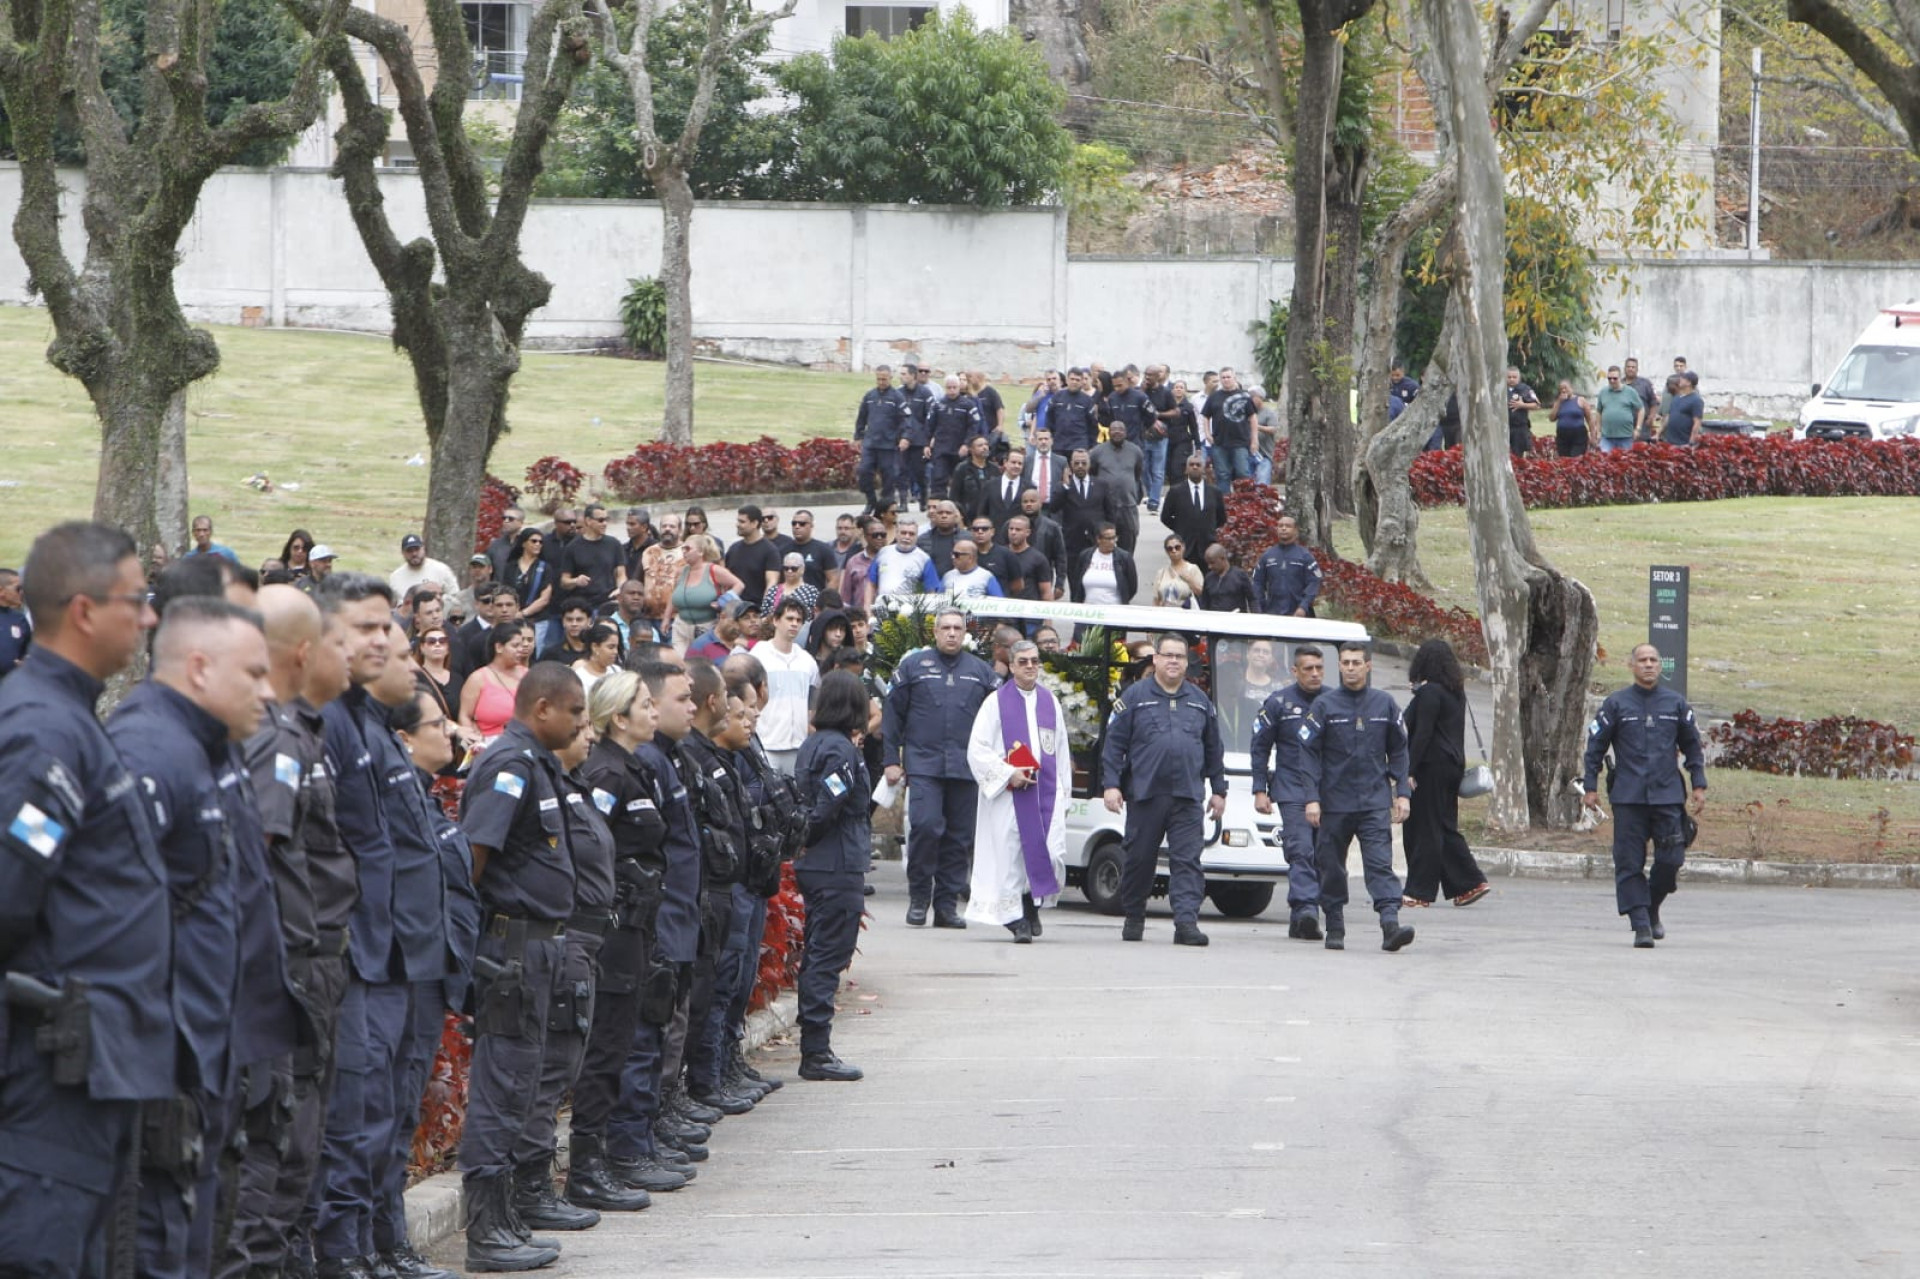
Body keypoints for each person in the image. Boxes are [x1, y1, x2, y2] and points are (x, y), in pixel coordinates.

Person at [0, 524, 169, 1278]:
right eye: (137, 599)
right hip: (47, 1072)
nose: (150, 616)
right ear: (83, 609)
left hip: (90, 1066)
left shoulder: (71, 720)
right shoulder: (43, 730)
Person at [111, 596, 295, 1279]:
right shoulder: (152, 752)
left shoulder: (205, 748)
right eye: (253, 673)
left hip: (205, 1057)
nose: (269, 690)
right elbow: (114, 919)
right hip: (164, 1063)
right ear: (197, 667)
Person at [455, 663, 587, 1272]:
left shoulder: (536, 764)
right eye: (575, 713)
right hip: (512, 949)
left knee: (523, 1083)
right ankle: (484, 1229)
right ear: (542, 710)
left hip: (539, 947)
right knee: (503, 1085)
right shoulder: (510, 767)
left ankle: (505, 1214)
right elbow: (474, 861)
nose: (583, 724)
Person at [568, 672, 690, 1204]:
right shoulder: (605, 773)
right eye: (644, 703)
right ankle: (591, 1166)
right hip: (613, 930)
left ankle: (620, 1150)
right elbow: (589, 851)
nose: (653, 710)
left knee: (628, 1038)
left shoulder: (636, 768)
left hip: (638, 926)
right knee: (609, 1044)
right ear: (619, 716)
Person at [1101, 633, 1226, 946]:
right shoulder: (1133, 697)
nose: (1173, 661)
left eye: (1180, 657)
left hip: (1187, 795)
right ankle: (1134, 916)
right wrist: (1111, 785)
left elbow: (1213, 748)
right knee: (1139, 859)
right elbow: (1113, 745)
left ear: (1187, 662)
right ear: (1154, 659)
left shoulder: (1200, 702)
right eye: (1167, 655)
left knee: (1187, 862)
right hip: (1146, 794)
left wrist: (1219, 789)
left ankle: (1186, 923)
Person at [1582, 643, 1708, 948]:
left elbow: (1692, 746)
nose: (1649, 665)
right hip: (1629, 796)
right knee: (1628, 862)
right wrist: (1590, 787)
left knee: (1672, 859)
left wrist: (1699, 785)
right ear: (1632, 665)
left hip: (1667, 796)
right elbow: (1595, 747)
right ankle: (1641, 924)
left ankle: (1652, 905)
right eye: (1642, 660)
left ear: (1660, 666)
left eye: (1653, 660)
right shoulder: (1616, 704)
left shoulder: (1676, 704)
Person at [884, 608, 997, 928]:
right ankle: (919, 897)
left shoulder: (981, 671)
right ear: (934, 633)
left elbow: (998, 720)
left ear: (965, 633)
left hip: (966, 767)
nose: (951, 633)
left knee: (959, 839)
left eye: (957, 628)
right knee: (925, 826)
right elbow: (893, 715)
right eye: (945, 628)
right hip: (924, 765)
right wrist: (891, 759)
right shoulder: (913, 667)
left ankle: (946, 906)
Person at [1302, 642, 1416, 953]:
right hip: (1334, 803)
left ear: (1368, 666)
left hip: (1374, 802)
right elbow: (1308, 755)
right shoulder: (1324, 706)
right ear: (1339, 666)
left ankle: (1390, 925)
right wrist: (1311, 798)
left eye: (1356, 662)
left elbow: (1399, 750)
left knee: (1380, 865)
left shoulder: (1385, 705)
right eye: (1345, 662)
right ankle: (1335, 925)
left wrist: (1402, 794)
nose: (1350, 667)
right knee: (1332, 867)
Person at [791, 671, 874, 1081]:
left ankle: (816, 1045)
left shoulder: (815, 743)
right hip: (835, 862)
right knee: (827, 954)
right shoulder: (840, 750)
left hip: (822, 861)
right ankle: (816, 1050)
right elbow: (828, 805)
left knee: (821, 953)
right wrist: (809, 838)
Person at [965, 640, 1069, 943]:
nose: (1030, 666)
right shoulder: (995, 703)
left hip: (1045, 793)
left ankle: (1030, 901)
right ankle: (1014, 920)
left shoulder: (1051, 702)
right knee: (1011, 855)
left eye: (1035, 661)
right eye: (1023, 661)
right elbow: (977, 749)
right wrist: (1010, 773)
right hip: (1009, 794)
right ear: (1011, 666)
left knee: (1047, 853)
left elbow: (1060, 750)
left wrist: (1063, 791)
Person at [1400, 639, 1491, 909]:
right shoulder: (1454, 692)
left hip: (1430, 767)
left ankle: (1419, 891)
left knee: (1424, 828)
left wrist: (1409, 770)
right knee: (1443, 826)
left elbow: (1421, 733)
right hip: (1452, 766)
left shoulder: (1430, 694)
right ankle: (1468, 883)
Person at [1249, 643, 1329, 940]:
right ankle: (1307, 908)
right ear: (1295, 671)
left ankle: (1301, 917)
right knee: (1301, 850)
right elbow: (1259, 746)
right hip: (1291, 789)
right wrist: (1260, 789)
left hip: (1327, 791)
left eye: (1319, 668)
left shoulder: (1334, 700)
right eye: (1308, 668)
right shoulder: (1278, 702)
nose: (1314, 674)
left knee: (1323, 854)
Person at [755, 598, 820, 774]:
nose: (794, 624)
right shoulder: (758, 655)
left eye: (798, 621)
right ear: (776, 621)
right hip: (766, 744)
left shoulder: (807, 661)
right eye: (789, 619)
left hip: (798, 746)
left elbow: (812, 698)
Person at [459, 620, 534, 749]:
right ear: (499, 647)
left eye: (521, 646)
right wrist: (474, 740)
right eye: (515, 646)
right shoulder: (478, 678)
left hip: (525, 742)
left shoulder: (528, 675)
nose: (520, 650)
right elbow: (464, 715)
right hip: (489, 745)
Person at [665, 534, 744, 651]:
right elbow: (674, 595)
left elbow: (739, 584)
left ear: (701, 552)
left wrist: (724, 600)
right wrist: (666, 617)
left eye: (688, 549)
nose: (684, 552)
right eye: (683, 549)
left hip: (707, 627)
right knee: (680, 663)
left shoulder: (714, 570)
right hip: (681, 627)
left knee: (702, 662)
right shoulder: (681, 572)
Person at [855, 366, 910, 512]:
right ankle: (871, 501)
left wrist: (905, 437)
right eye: (879, 379)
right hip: (870, 443)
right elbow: (862, 417)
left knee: (889, 477)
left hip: (888, 445)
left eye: (884, 379)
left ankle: (885, 505)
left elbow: (906, 419)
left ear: (891, 378)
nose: (881, 382)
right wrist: (858, 435)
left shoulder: (897, 397)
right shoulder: (870, 396)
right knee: (864, 472)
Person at [1049, 448, 1117, 562]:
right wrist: (1065, 486)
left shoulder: (1101, 485)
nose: (1080, 466)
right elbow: (1053, 507)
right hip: (1072, 541)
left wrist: (1110, 535)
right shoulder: (1064, 486)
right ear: (1071, 464)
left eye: (1084, 463)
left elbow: (1110, 512)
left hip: (1096, 540)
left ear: (1089, 464)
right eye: (1076, 463)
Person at [1087, 420, 1146, 553]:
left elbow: (1137, 475)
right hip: (1105, 508)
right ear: (1109, 432)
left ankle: (1125, 571)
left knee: (1128, 544)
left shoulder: (1136, 451)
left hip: (1128, 507)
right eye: (1114, 429)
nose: (1117, 432)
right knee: (1103, 545)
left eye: (1121, 429)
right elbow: (1092, 474)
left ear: (1126, 432)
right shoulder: (1097, 452)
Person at [1160, 452, 1226, 563]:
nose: (1194, 467)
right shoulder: (1176, 492)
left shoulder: (1215, 492)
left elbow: (1222, 518)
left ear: (1203, 469)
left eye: (1198, 465)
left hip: (1207, 548)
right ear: (1186, 469)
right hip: (1185, 547)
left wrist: (1207, 528)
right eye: (1191, 465)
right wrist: (1179, 528)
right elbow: (1165, 517)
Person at [559, 503, 626, 610]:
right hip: (584, 605)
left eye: (606, 520)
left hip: (608, 602)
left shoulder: (614, 544)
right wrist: (576, 581)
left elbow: (621, 574)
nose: (604, 524)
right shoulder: (572, 547)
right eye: (600, 520)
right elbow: (564, 581)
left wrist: (621, 588)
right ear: (588, 521)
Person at [1254, 514, 1322, 617]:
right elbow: (1257, 582)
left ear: (1295, 530)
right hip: (1273, 614)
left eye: (1288, 526)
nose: (1283, 529)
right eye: (1280, 526)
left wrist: (1303, 607)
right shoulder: (1267, 556)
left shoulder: (1305, 556)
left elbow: (1314, 581)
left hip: (1299, 615)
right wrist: (1260, 606)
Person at [1201, 367, 1256, 483]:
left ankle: (1243, 499)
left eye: (1228, 377)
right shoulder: (1214, 396)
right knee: (1222, 474)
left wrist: (1254, 440)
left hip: (1241, 441)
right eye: (1223, 377)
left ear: (1234, 378)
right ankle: (1224, 500)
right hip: (1220, 442)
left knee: (1243, 473)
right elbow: (1205, 416)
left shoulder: (1245, 396)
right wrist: (1207, 433)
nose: (1226, 380)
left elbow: (1253, 417)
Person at [503, 526, 555, 642]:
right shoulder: (511, 566)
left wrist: (523, 613)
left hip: (537, 621)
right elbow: (505, 591)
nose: (538, 544)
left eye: (540, 542)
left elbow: (545, 599)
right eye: (534, 541)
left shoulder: (545, 568)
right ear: (523, 543)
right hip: (513, 619)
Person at [867, 518, 942, 597]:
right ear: (896, 534)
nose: (907, 537)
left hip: (910, 607)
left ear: (917, 536)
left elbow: (931, 590)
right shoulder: (883, 553)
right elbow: (871, 584)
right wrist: (867, 607)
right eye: (903, 533)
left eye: (911, 534)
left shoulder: (924, 558)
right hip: (882, 606)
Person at [725, 506, 783, 605]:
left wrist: (764, 610)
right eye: (738, 521)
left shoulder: (770, 551)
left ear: (754, 524)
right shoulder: (733, 549)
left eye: (742, 522)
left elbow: (771, 584)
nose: (737, 525)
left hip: (755, 611)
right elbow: (725, 580)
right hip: (733, 608)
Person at [1070, 523, 1136, 606]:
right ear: (1098, 539)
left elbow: (1132, 586)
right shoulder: (1085, 556)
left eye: (1114, 538)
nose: (1112, 542)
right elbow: (1077, 581)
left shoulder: (1124, 558)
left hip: (1115, 610)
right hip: (1088, 610)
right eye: (1108, 539)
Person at [390, 534, 460, 599]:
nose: (414, 554)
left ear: (423, 549)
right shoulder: (396, 577)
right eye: (409, 551)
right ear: (403, 553)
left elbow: (455, 596)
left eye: (417, 549)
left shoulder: (441, 570)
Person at [1593, 365, 1644, 453]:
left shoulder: (1630, 392)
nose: (1612, 381)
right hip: (1606, 438)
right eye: (1609, 378)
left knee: (1626, 463)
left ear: (1620, 378)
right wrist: (1598, 431)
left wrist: (1638, 428)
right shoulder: (1603, 392)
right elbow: (1598, 412)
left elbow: (1641, 409)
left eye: (1615, 378)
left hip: (1626, 437)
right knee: (1604, 462)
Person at [762, 553, 820, 621]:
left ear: (802, 569)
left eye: (794, 568)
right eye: (786, 568)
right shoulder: (773, 591)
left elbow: (817, 617)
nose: (789, 571)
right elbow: (763, 616)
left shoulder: (811, 591)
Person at [1151, 534, 1204, 609]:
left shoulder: (1192, 569)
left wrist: (1189, 580)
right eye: (1170, 549)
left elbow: (1201, 592)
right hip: (1165, 613)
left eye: (1177, 547)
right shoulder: (1161, 573)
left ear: (1183, 547)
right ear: (1167, 551)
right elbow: (1156, 599)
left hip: (1185, 614)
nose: (1174, 551)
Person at [1200, 544, 1255, 613]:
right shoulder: (1209, 578)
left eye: (1212, 563)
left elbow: (1252, 600)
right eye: (1208, 563)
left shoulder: (1240, 576)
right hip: (1214, 620)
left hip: (1236, 619)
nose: (1209, 567)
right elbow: (1204, 603)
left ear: (1223, 558)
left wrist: (1256, 618)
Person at [538, 600, 595, 666]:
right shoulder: (551, 654)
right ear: (563, 622)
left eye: (579, 620)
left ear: (589, 621)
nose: (574, 624)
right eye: (569, 619)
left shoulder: (596, 651)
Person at [573, 622, 623, 696]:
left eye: (616, 647)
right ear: (595, 647)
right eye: (611, 647)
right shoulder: (579, 677)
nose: (615, 652)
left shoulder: (617, 671)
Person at [0, 566, 30, 680]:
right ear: (1, 591)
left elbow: (27, 650)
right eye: (18, 588)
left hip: (10, 687)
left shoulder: (19, 619)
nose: (22, 593)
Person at [1552, 379, 1593, 458]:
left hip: (1578, 434)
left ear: (1571, 388)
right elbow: (1552, 418)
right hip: (1563, 436)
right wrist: (1558, 402)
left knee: (1576, 458)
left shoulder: (1581, 400)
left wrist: (1593, 434)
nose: (1564, 390)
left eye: (1566, 388)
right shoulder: (1559, 402)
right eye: (1561, 389)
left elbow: (1590, 419)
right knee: (1564, 459)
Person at [1505, 368, 1541, 458]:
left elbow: (1537, 405)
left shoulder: (1525, 389)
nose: (1511, 379)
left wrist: (1522, 405)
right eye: (1509, 377)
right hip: (1503, 428)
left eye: (1514, 377)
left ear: (1519, 378)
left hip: (1519, 429)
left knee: (1517, 456)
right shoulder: (1499, 389)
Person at [1663, 371, 1705, 446]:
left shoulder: (1696, 400)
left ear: (1689, 383)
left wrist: (1691, 442)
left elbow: (1697, 423)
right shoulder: (1676, 397)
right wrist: (1658, 433)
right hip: (1670, 442)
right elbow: (1669, 416)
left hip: (1684, 443)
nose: (1679, 380)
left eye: (1682, 379)